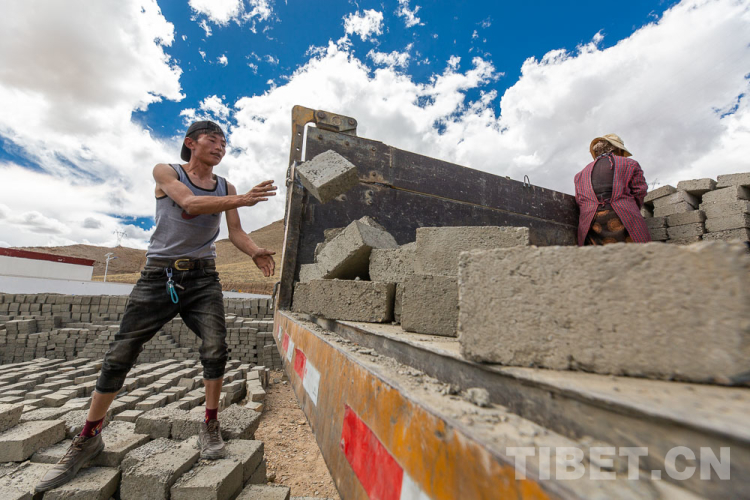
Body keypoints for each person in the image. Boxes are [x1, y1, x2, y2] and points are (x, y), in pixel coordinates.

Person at [36, 120, 278, 492]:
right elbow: (190, 203)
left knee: (216, 347)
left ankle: (210, 424)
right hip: (158, 276)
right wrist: (243, 199)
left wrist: (255, 251)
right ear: (191, 143)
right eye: (212, 140)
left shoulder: (226, 187)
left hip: (203, 278)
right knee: (121, 354)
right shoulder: (167, 171)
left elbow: (235, 231)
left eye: (224, 143)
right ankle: (88, 437)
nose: (220, 147)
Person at [574, 134, 650, 246]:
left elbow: (579, 200)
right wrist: (633, 210)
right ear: (618, 149)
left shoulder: (580, 175)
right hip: (623, 217)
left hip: (591, 223)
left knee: (598, 254)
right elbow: (640, 191)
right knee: (636, 252)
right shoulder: (630, 164)